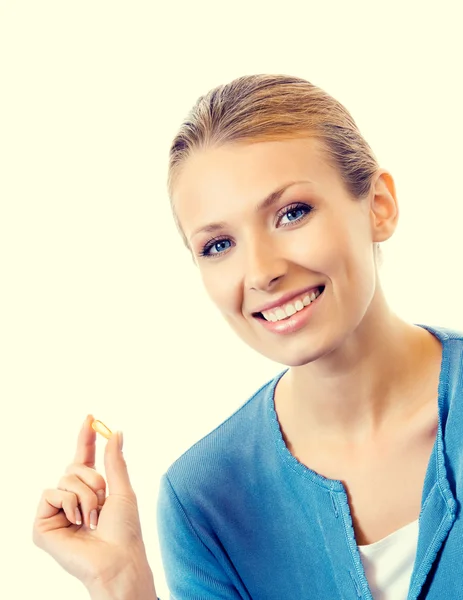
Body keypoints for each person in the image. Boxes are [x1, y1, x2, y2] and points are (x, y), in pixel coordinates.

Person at [32, 74, 463, 600]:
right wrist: (120, 585)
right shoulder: (205, 500)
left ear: (378, 205)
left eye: (292, 213)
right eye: (218, 245)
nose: (260, 271)